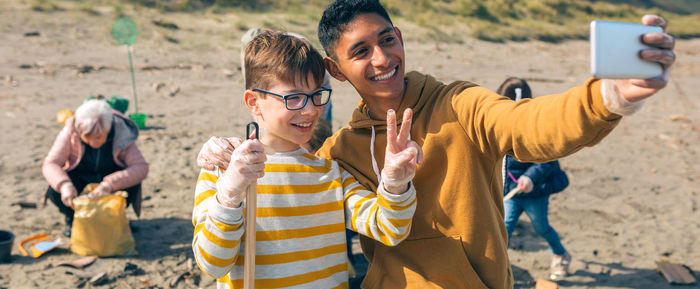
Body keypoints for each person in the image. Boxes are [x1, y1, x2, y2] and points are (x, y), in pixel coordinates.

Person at [198, 0, 676, 287]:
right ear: (337, 69)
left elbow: (531, 126)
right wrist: (220, 156)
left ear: (401, 37)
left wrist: (609, 96)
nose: (382, 58)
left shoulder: (460, 103)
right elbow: (285, 162)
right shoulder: (340, 152)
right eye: (361, 51)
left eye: (388, 40)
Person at [191, 30, 421, 289]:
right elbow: (213, 264)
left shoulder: (331, 173)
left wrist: (395, 185)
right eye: (294, 98)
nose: (311, 109)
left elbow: (391, 228)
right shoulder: (223, 172)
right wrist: (229, 196)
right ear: (253, 102)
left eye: (316, 95)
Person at [497, 77, 572, 280]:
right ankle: (499, 264)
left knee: (541, 227)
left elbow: (548, 160)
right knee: (504, 228)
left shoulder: (538, 130)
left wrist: (531, 177)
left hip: (534, 193)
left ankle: (560, 254)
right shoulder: (498, 126)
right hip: (511, 192)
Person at [42, 99, 149, 237]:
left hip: (111, 185)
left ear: (108, 129)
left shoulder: (122, 133)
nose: (93, 142)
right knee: (54, 189)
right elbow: (51, 163)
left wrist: (109, 184)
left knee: (132, 182)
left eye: (98, 137)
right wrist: (65, 185)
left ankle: (115, 218)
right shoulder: (70, 131)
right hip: (80, 181)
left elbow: (140, 167)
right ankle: (73, 219)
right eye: (86, 137)